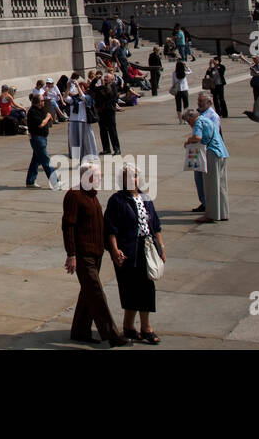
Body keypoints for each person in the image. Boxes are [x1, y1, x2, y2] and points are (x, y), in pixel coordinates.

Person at [61, 162, 128, 347]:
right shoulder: (74, 196)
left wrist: (111, 249)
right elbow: (68, 227)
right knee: (97, 294)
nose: (100, 179)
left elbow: (99, 228)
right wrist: (71, 254)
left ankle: (80, 331)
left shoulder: (92, 197)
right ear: (87, 177)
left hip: (96, 253)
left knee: (88, 293)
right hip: (84, 255)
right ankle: (112, 335)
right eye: (97, 176)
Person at [104, 164, 163, 344]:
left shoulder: (146, 198)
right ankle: (129, 326)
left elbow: (156, 226)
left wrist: (161, 248)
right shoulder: (117, 200)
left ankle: (146, 327)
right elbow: (110, 229)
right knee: (130, 288)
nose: (132, 180)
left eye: (135, 176)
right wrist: (114, 250)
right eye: (128, 177)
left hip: (146, 248)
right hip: (128, 250)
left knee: (147, 287)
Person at [186, 93, 228, 223]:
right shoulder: (206, 119)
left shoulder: (199, 121)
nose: (189, 125)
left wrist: (188, 141)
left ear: (191, 119)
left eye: (188, 122)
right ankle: (223, 213)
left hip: (212, 153)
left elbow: (197, 138)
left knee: (210, 186)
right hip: (221, 152)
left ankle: (211, 215)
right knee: (221, 185)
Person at [24, 93, 55, 188]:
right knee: (46, 161)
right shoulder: (32, 112)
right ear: (37, 102)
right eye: (42, 100)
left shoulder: (40, 110)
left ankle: (30, 181)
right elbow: (41, 124)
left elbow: (47, 119)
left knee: (35, 161)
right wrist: (48, 117)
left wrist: (48, 117)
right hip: (37, 139)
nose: (44, 102)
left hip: (42, 138)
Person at [67, 77, 100, 162]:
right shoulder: (74, 99)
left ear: (85, 89)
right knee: (74, 141)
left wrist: (78, 85)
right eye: (79, 87)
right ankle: (76, 158)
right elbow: (65, 98)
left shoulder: (88, 96)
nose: (79, 88)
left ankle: (89, 157)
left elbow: (83, 97)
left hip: (83, 121)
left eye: (81, 87)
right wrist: (68, 87)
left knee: (86, 141)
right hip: (73, 121)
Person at [91, 73, 121, 154]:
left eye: (107, 77)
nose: (105, 78)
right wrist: (95, 79)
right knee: (103, 130)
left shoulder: (113, 86)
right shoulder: (102, 87)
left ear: (111, 79)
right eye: (105, 77)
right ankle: (106, 148)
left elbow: (113, 97)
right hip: (101, 112)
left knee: (112, 130)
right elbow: (92, 88)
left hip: (109, 111)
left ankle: (117, 149)